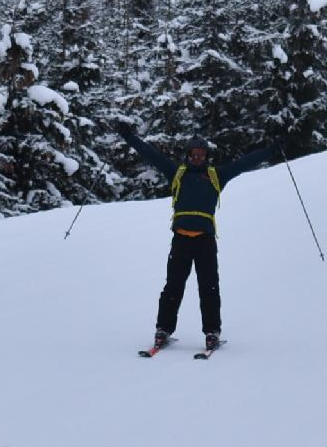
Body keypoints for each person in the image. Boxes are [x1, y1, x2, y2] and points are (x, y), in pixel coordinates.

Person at [116, 124, 280, 352]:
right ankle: (163, 329)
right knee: (173, 287)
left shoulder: (216, 175)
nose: (197, 158)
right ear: (188, 155)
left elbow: (244, 163)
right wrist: (128, 137)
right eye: (194, 154)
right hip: (181, 241)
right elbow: (151, 155)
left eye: (201, 154)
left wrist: (272, 150)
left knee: (209, 288)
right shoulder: (177, 173)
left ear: (206, 156)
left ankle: (212, 332)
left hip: (205, 242)